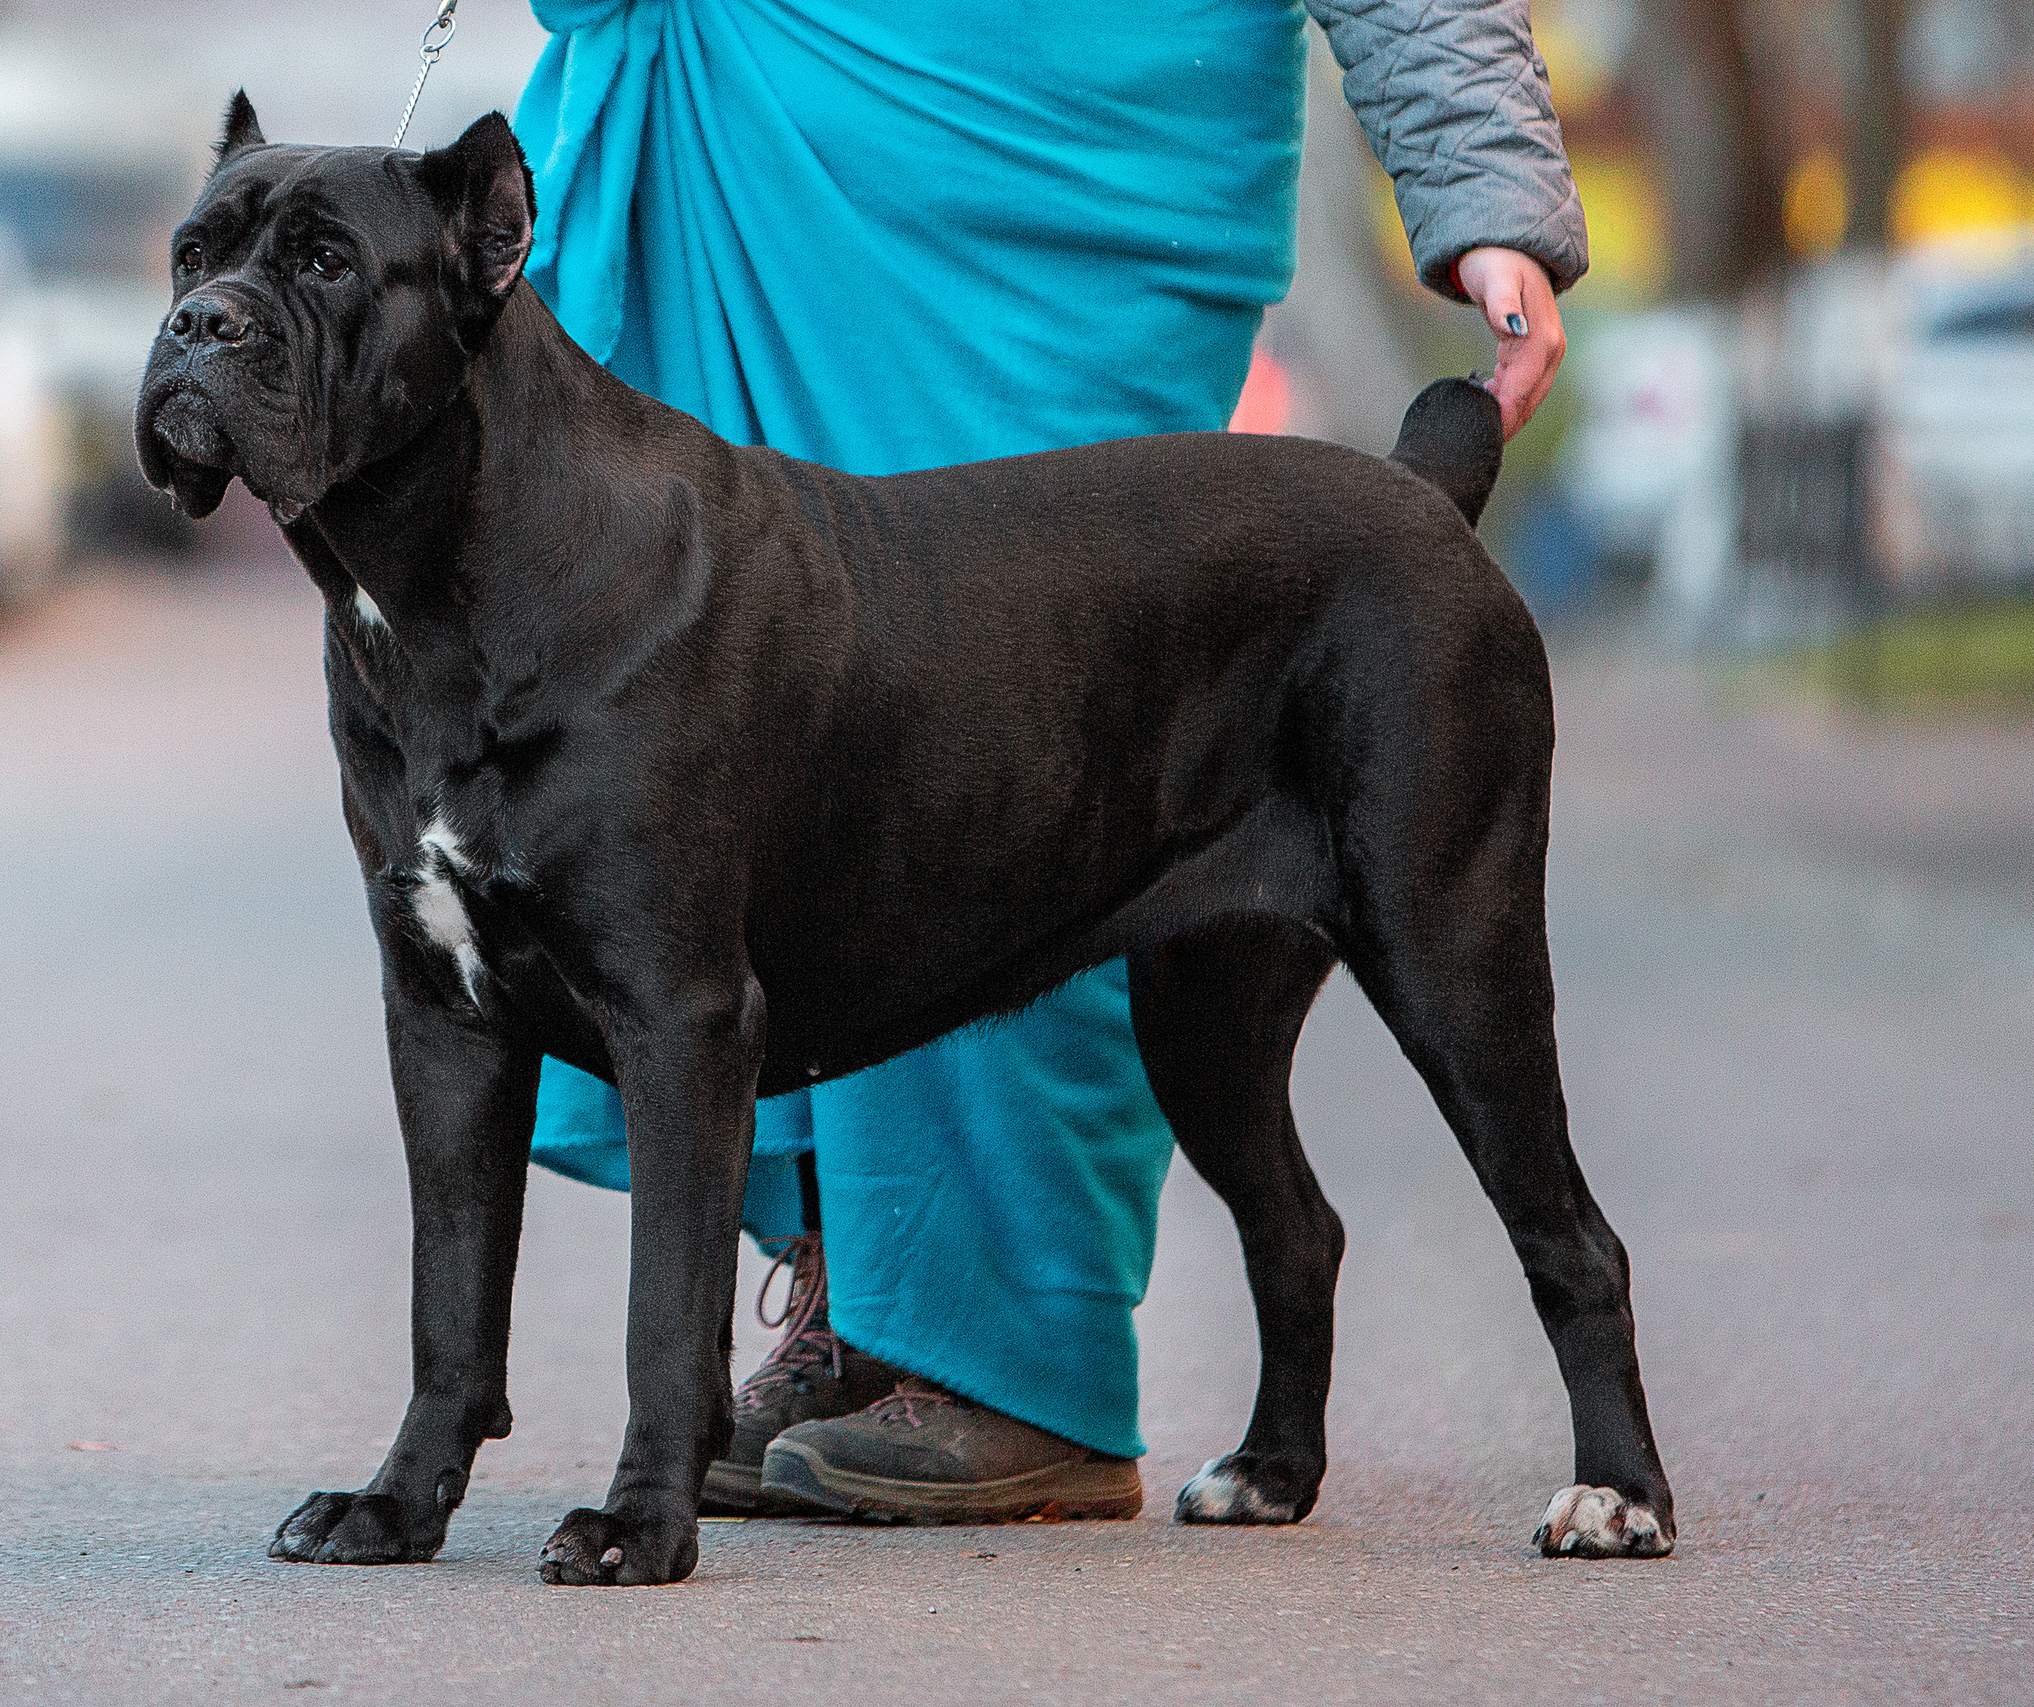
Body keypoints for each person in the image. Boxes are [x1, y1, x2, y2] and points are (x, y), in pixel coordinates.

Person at [509, 0, 1584, 1522]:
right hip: (776, 108)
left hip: (1083, 144)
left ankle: (1017, 1358)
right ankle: (863, 1307)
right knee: (763, 733)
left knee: (1072, 711)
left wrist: (1486, 199)